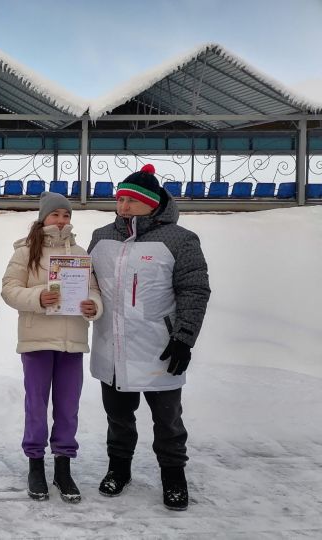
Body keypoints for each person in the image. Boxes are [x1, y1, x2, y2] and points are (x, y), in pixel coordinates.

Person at [87, 164, 211, 511]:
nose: (123, 206)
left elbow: (194, 289)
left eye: (131, 200)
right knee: (118, 417)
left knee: (168, 420)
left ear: (152, 203)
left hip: (159, 346)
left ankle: (173, 476)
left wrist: (184, 336)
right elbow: (86, 280)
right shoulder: (101, 236)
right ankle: (119, 468)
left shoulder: (179, 239)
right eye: (120, 199)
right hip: (112, 345)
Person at [1, 191, 103, 503]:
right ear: (44, 217)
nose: (61, 220)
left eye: (66, 215)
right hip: (37, 340)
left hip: (72, 341)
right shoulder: (25, 251)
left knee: (68, 406)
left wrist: (92, 306)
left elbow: (94, 291)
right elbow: (9, 289)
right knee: (36, 405)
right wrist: (38, 297)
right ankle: (35, 464)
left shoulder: (81, 252)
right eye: (56, 214)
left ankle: (63, 467)